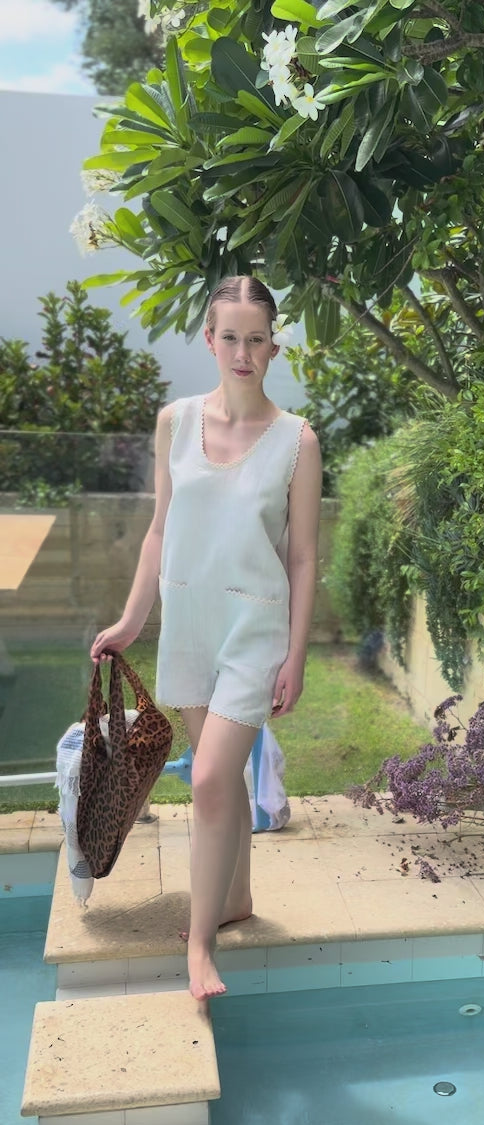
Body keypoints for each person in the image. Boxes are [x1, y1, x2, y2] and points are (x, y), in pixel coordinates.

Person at [90, 275, 322, 1000]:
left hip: (256, 628)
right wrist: (133, 620)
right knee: (216, 779)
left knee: (216, 778)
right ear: (209, 340)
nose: (244, 352)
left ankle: (198, 946)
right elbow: (161, 529)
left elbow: (305, 556)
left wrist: (297, 651)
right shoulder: (174, 422)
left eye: (257, 339)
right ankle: (236, 898)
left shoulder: (297, 441)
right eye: (231, 337)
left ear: (274, 344)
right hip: (190, 624)